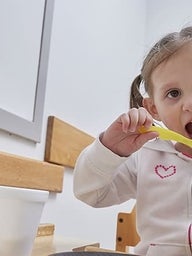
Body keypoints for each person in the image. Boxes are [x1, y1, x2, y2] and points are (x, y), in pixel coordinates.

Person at [73, 26, 192, 256]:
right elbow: (89, 193)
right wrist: (109, 150)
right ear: (153, 108)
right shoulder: (146, 155)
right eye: (174, 93)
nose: (189, 105)